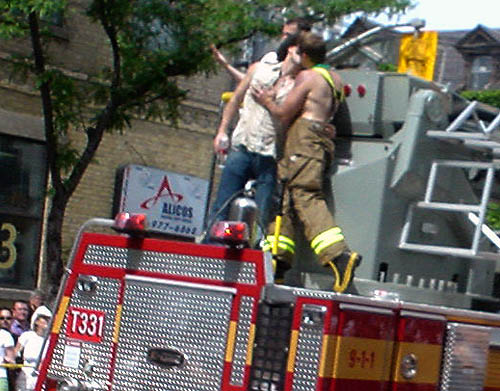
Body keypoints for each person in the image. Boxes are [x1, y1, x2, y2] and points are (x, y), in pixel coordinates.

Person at [252, 32, 361, 293]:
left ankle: (339, 257)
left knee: (304, 195)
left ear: (303, 54)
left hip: (303, 139)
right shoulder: (333, 79)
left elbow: (283, 112)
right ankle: (277, 261)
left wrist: (265, 100)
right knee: (285, 198)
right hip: (316, 140)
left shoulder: (308, 77)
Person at [209, 34, 303, 234]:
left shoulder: (299, 85)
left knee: (261, 215)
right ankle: (212, 250)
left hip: (269, 155)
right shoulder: (260, 69)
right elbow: (235, 100)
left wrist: (270, 103)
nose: (303, 57)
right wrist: (222, 131)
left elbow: (289, 120)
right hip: (243, 146)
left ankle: (253, 255)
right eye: (300, 50)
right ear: (290, 49)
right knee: (222, 206)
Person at [211, 18, 311, 84]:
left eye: (288, 36)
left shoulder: (308, 73)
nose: (283, 38)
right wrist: (226, 65)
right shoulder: (270, 58)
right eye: (283, 34)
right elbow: (249, 83)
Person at [14, 312, 51, 391]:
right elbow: (16, 351)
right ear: (37, 322)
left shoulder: (50, 340)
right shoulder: (27, 335)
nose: (47, 322)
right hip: (25, 374)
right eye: (44, 319)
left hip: (42, 376)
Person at [0, 309, 15, 391]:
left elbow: (11, 360)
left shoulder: (5, 335)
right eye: (1, 318)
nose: (5, 321)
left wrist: (7, 360)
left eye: (8, 318)